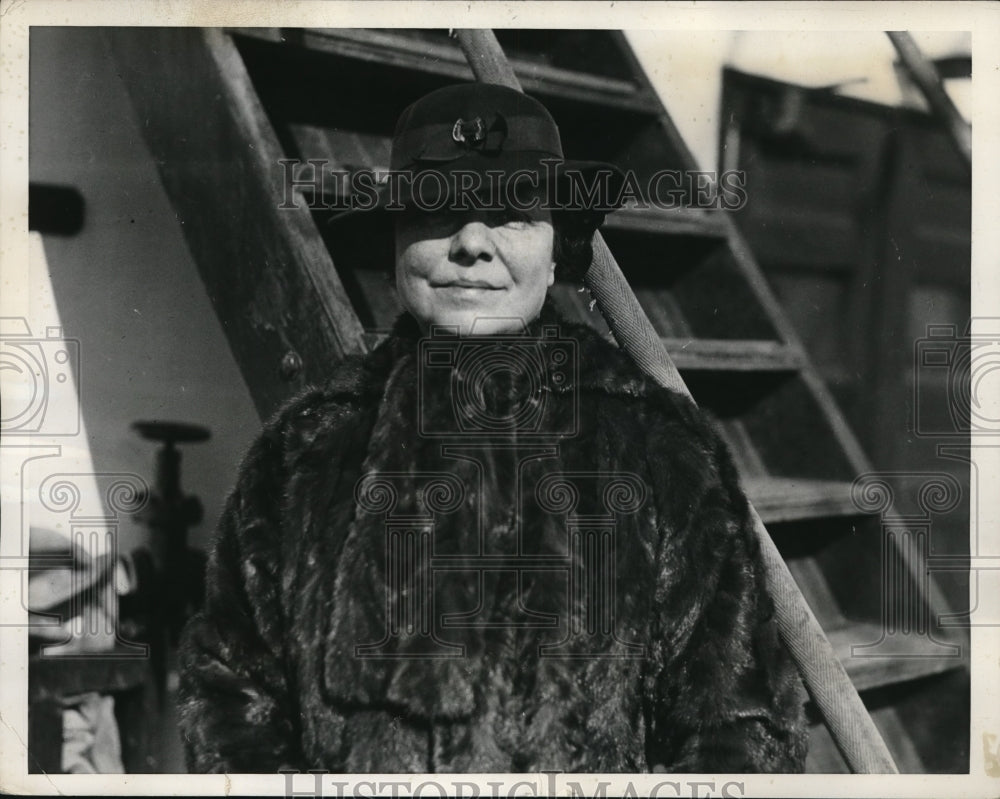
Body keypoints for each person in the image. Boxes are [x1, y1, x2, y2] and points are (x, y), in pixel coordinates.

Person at [178, 83, 808, 773]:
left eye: (510, 214)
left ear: (556, 246)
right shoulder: (304, 449)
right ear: (395, 237)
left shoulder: (658, 448)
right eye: (438, 209)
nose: (471, 243)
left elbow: (740, 726)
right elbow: (229, 689)